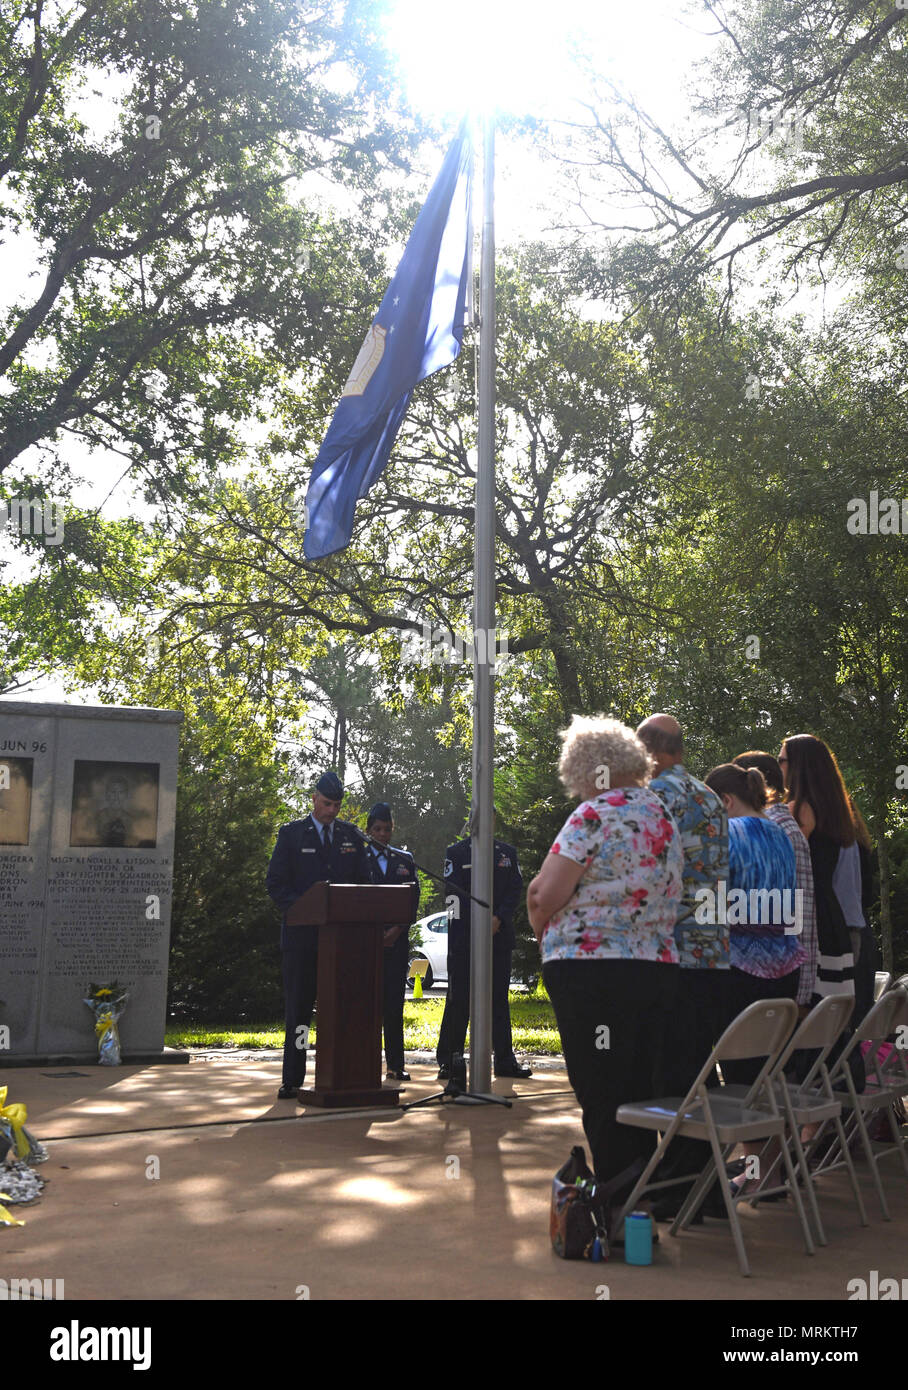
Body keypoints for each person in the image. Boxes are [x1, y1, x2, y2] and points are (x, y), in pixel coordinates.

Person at [528, 716, 683, 1226]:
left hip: (592, 974)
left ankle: (615, 1209)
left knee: (601, 1089)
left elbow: (543, 893)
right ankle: (641, 1196)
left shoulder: (593, 814)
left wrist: (540, 930)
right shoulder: (661, 815)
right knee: (637, 1088)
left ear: (582, 768)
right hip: (655, 971)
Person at [634, 715, 729, 1218]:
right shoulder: (711, 796)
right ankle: (705, 1185)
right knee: (696, 1072)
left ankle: (677, 1188)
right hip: (713, 954)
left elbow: (647, 873)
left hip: (673, 955)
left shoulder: (657, 799)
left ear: (649, 750)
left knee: (668, 1078)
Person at [266, 771, 371, 1100]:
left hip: (340, 943)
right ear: (313, 798)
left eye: (337, 805)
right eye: (327, 803)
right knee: (299, 1013)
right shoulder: (292, 835)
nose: (332, 811)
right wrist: (298, 911)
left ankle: (337, 1074)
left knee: (340, 1009)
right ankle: (292, 1078)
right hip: (302, 941)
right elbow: (276, 883)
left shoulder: (350, 837)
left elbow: (362, 884)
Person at [436, 811, 530, 1080]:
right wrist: (476, 922)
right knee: (458, 1000)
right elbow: (452, 893)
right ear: (471, 824)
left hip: (498, 936)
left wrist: (498, 918)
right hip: (464, 939)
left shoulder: (507, 853)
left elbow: (515, 889)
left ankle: (504, 1060)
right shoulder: (457, 853)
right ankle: (449, 1059)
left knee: (498, 1000)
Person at [733, 750, 818, 1009]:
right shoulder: (785, 828)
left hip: (772, 977)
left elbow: (795, 915)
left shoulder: (775, 832)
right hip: (785, 974)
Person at [778, 735, 855, 1002]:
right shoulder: (835, 809)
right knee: (830, 1016)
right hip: (832, 917)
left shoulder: (797, 811)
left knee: (803, 1010)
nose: (778, 768)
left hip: (809, 920)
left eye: (782, 760)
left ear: (799, 765)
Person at [364, 801, 418, 1081]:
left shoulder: (404, 859)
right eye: (377, 829)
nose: (383, 835)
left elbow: (412, 902)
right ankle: (364, 1064)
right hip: (366, 946)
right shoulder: (358, 859)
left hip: (395, 945)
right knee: (367, 1006)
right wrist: (375, 934)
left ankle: (395, 1065)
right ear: (368, 830)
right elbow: (353, 901)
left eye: (387, 829)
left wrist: (395, 931)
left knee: (394, 1007)